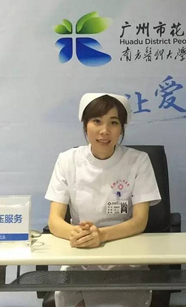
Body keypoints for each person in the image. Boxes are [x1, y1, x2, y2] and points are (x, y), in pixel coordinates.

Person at [45, 93, 161, 307]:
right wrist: (77, 235)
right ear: (85, 125)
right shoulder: (67, 160)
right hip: (80, 255)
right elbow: (54, 220)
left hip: (125, 256)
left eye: (113, 122)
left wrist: (102, 235)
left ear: (121, 129)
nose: (104, 131)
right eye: (97, 121)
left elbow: (140, 221)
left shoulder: (138, 161)